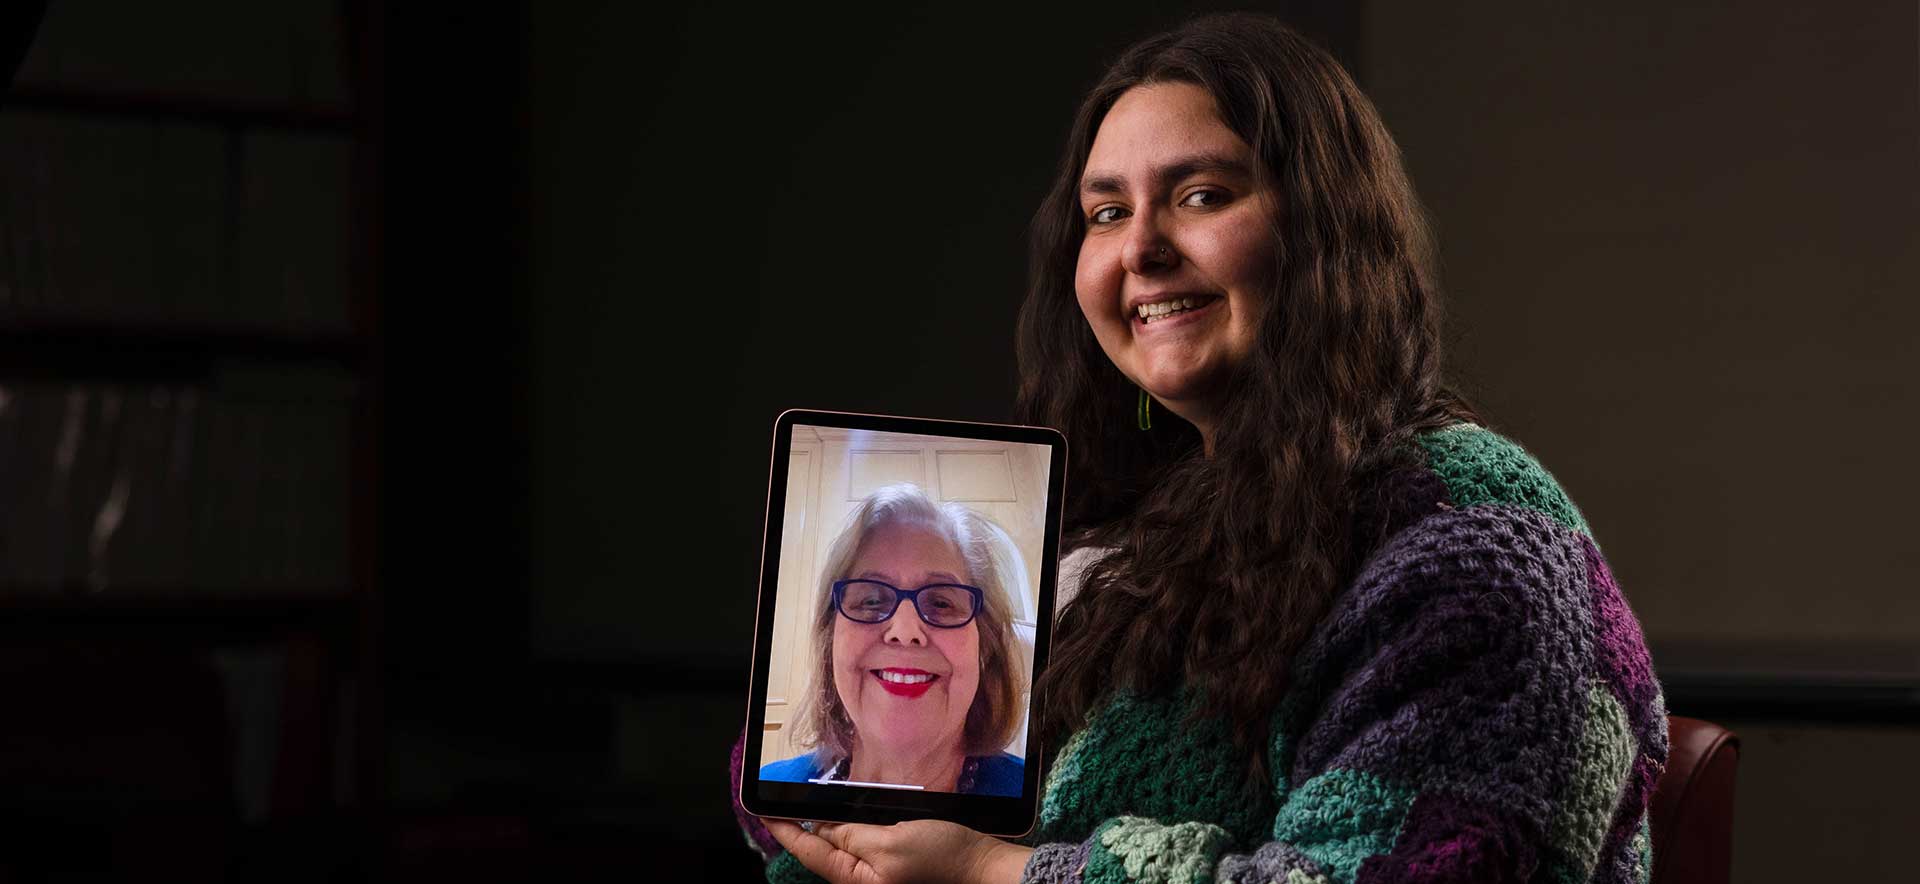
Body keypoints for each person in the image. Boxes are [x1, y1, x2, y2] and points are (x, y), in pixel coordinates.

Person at [731, 13, 1667, 884]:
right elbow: (814, 784)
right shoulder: (1132, 542)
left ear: (1323, 230)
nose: (1140, 248)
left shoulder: (1476, 542)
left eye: (1202, 195)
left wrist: (992, 870)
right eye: (1105, 213)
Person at [758, 483, 1027, 797]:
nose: (905, 630)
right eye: (871, 601)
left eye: (941, 603)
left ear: (985, 644)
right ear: (831, 638)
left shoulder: (1040, 804)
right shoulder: (769, 796)